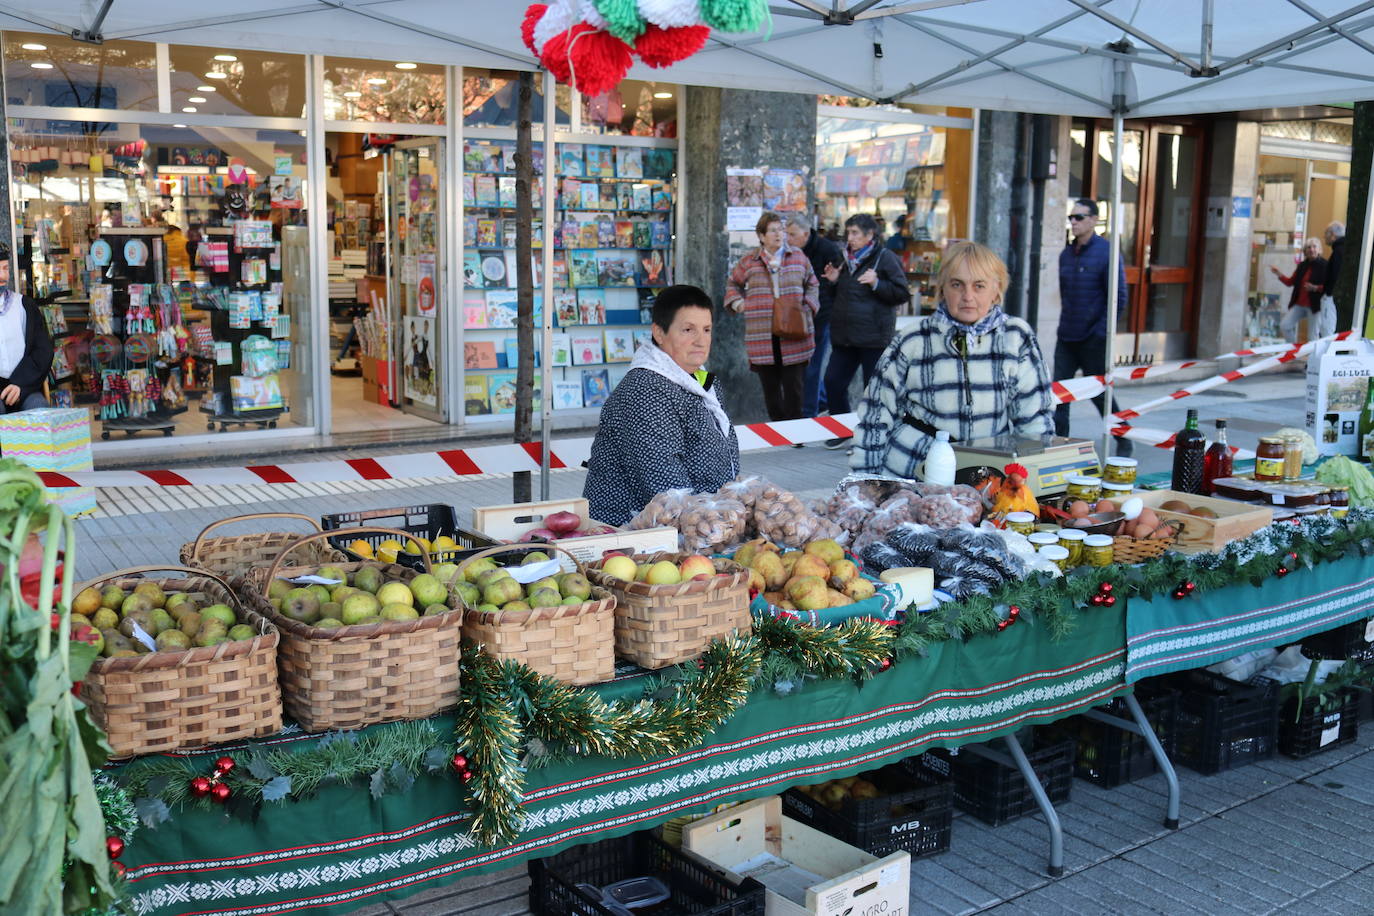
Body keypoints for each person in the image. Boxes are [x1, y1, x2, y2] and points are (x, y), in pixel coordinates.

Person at [849, 241, 1053, 479]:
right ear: (943, 288)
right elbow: (876, 414)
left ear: (996, 289)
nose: (968, 296)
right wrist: (866, 482)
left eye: (979, 286)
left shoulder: (1015, 337)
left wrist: (1033, 479)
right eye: (957, 285)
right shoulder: (913, 339)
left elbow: (1034, 418)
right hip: (914, 473)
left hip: (988, 475)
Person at [583, 285, 741, 527]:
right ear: (659, 332)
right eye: (688, 330)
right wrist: (714, 523)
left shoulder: (701, 382)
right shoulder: (646, 390)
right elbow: (663, 483)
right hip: (630, 538)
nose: (701, 341)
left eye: (707, 330)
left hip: (699, 526)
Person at [822, 213, 911, 449]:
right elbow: (840, 296)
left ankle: (873, 433)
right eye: (848, 232)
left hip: (873, 337)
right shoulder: (844, 259)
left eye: (855, 233)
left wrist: (877, 283)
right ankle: (842, 430)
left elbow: (902, 293)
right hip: (845, 336)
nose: (849, 238)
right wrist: (832, 282)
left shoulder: (885, 258)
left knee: (873, 390)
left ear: (870, 235)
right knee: (833, 381)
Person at [723, 211, 819, 422]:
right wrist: (738, 303)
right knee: (771, 389)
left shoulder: (798, 257)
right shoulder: (749, 261)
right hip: (762, 334)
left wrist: (808, 307)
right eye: (773, 230)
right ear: (761, 236)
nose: (779, 234)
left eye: (781, 230)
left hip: (794, 332)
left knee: (795, 388)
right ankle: (779, 431)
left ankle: (796, 433)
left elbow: (813, 284)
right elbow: (732, 284)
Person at [1055, 198, 1132, 457]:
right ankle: (1059, 443)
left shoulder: (1107, 252)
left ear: (1093, 219)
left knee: (1099, 393)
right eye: (1071, 217)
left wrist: (1101, 332)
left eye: (1079, 217)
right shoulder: (1066, 254)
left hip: (1093, 337)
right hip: (1067, 335)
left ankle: (1124, 435)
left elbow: (1118, 297)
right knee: (1060, 394)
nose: (1073, 222)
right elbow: (1065, 294)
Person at [784, 212, 843, 418]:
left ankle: (809, 412)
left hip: (820, 316)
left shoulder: (827, 249)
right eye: (786, 234)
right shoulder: (789, 252)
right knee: (804, 366)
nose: (788, 239)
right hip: (796, 317)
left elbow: (833, 284)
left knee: (812, 365)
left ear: (806, 233)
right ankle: (823, 401)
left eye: (792, 234)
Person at [0, 243, 55, 415]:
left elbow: (42, 350)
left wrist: (20, 384)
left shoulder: (24, 306)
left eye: (5, 268)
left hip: (24, 385)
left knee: (38, 410)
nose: (3, 275)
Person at [1270, 237, 1327, 345]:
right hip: (1299, 304)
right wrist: (1278, 273)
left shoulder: (1325, 265)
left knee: (1312, 336)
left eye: (1314, 247)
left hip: (1315, 306)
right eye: (1308, 247)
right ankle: (1294, 352)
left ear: (1319, 249)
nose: (1311, 249)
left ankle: (1312, 360)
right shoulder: (1302, 265)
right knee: (1285, 325)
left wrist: (1315, 288)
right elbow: (1290, 282)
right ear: (1305, 251)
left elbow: (1329, 287)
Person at [1318, 221, 1345, 339]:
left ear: (1333, 234)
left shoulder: (1338, 252)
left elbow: (1334, 275)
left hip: (1331, 298)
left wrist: (1328, 293)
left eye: (1326, 234)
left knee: (1327, 329)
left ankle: (1326, 355)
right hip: (1333, 297)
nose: (1324, 237)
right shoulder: (1342, 250)